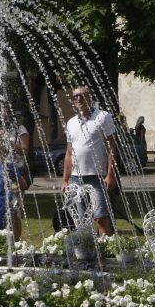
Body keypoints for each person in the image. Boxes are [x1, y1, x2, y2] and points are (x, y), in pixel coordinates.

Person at [61, 85, 117, 235]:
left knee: (100, 218)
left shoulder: (103, 117)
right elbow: (69, 152)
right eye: (76, 96)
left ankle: (108, 252)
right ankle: (88, 253)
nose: (79, 98)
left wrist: (110, 175)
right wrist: (65, 180)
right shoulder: (71, 123)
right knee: (82, 220)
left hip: (97, 177)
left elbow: (112, 147)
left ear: (89, 97)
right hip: (76, 178)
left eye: (82, 95)